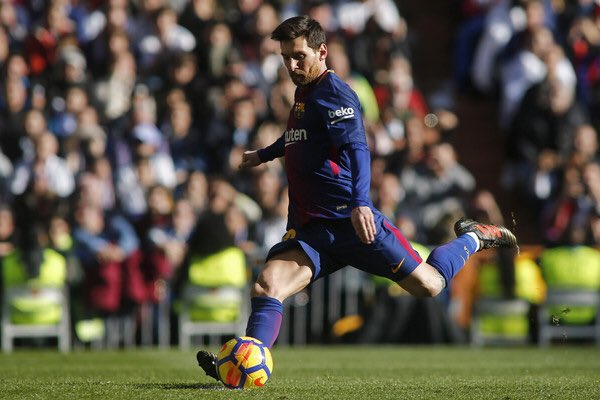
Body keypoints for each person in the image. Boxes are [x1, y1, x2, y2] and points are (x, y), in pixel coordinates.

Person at [196, 15, 518, 382]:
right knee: (267, 285)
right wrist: (265, 154)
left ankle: (473, 236)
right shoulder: (304, 93)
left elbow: (356, 148)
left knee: (430, 285)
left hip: (351, 223)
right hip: (313, 230)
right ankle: (241, 368)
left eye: (299, 56)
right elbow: (300, 138)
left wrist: (361, 203)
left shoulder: (335, 93)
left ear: (322, 52)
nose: (292, 65)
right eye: (286, 57)